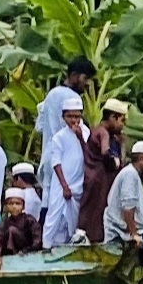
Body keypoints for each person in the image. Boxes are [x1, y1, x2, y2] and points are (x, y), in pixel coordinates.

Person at [42, 93, 87, 247]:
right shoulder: (59, 137)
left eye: (77, 116)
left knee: (73, 217)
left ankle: (69, 246)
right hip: (61, 184)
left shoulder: (86, 132)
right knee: (54, 215)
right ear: (63, 116)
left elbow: (89, 154)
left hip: (78, 182)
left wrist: (80, 137)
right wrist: (64, 186)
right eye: (70, 116)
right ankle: (47, 246)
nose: (74, 120)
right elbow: (56, 163)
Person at [79, 99, 127, 242]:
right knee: (96, 212)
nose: (122, 125)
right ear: (113, 117)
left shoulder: (108, 135)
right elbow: (105, 152)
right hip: (99, 179)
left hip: (99, 179)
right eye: (122, 121)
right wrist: (116, 163)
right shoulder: (103, 133)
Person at [35, 55, 95, 168]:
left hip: (48, 157)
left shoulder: (51, 94)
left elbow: (39, 127)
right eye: (85, 78)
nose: (87, 83)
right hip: (66, 158)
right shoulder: (73, 98)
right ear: (74, 76)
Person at [102, 138, 143, 251]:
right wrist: (134, 234)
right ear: (142, 159)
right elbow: (128, 209)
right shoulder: (130, 175)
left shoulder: (132, 173)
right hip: (121, 230)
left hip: (133, 227)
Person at [0, 188, 42, 268]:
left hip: (26, 252)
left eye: (17, 203)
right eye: (11, 203)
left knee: (12, 230)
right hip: (8, 253)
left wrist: (26, 251)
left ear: (23, 206)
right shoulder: (5, 222)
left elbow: (37, 240)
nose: (14, 206)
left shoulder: (30, 220)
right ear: (6, 206)